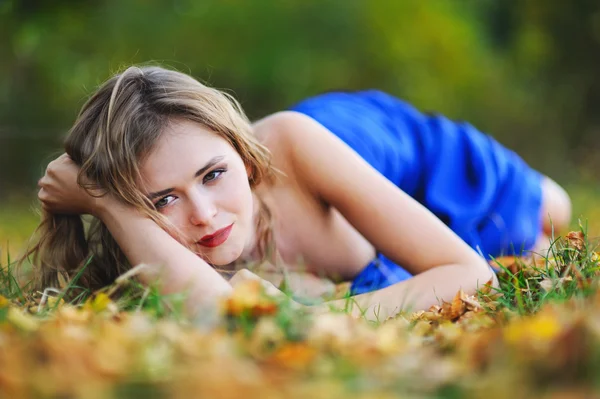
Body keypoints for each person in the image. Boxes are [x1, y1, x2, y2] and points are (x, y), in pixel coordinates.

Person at [30, 65, 571, 320]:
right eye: (160, 200)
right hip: (362, 206)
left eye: (213, 174)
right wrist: (106, 198)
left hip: (409, 153)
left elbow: (471, 277)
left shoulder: (292, 143)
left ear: (243, 156)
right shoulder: (147, 241)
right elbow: (223, 320)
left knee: (550, 212)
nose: (204, 214)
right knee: (497, 253)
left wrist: (312, 320)